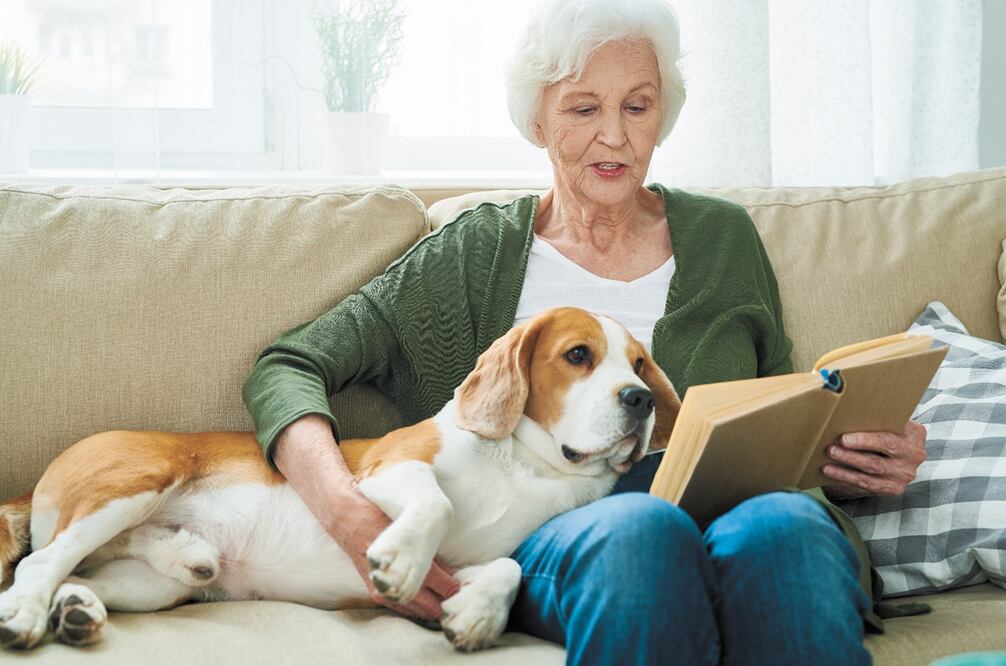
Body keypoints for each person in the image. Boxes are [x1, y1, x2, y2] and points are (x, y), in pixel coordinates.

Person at [243, 0, 928, 663]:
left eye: (637, 105)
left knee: (789, 531)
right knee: (644, 531)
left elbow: (785, 405)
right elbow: (288, 365)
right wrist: (344, 509)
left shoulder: (724, 238)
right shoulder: (473, 254)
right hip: (557, 534)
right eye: (582, 107)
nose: (615, 135)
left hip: (742, 511)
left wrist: (851, 462)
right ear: (538, 120)